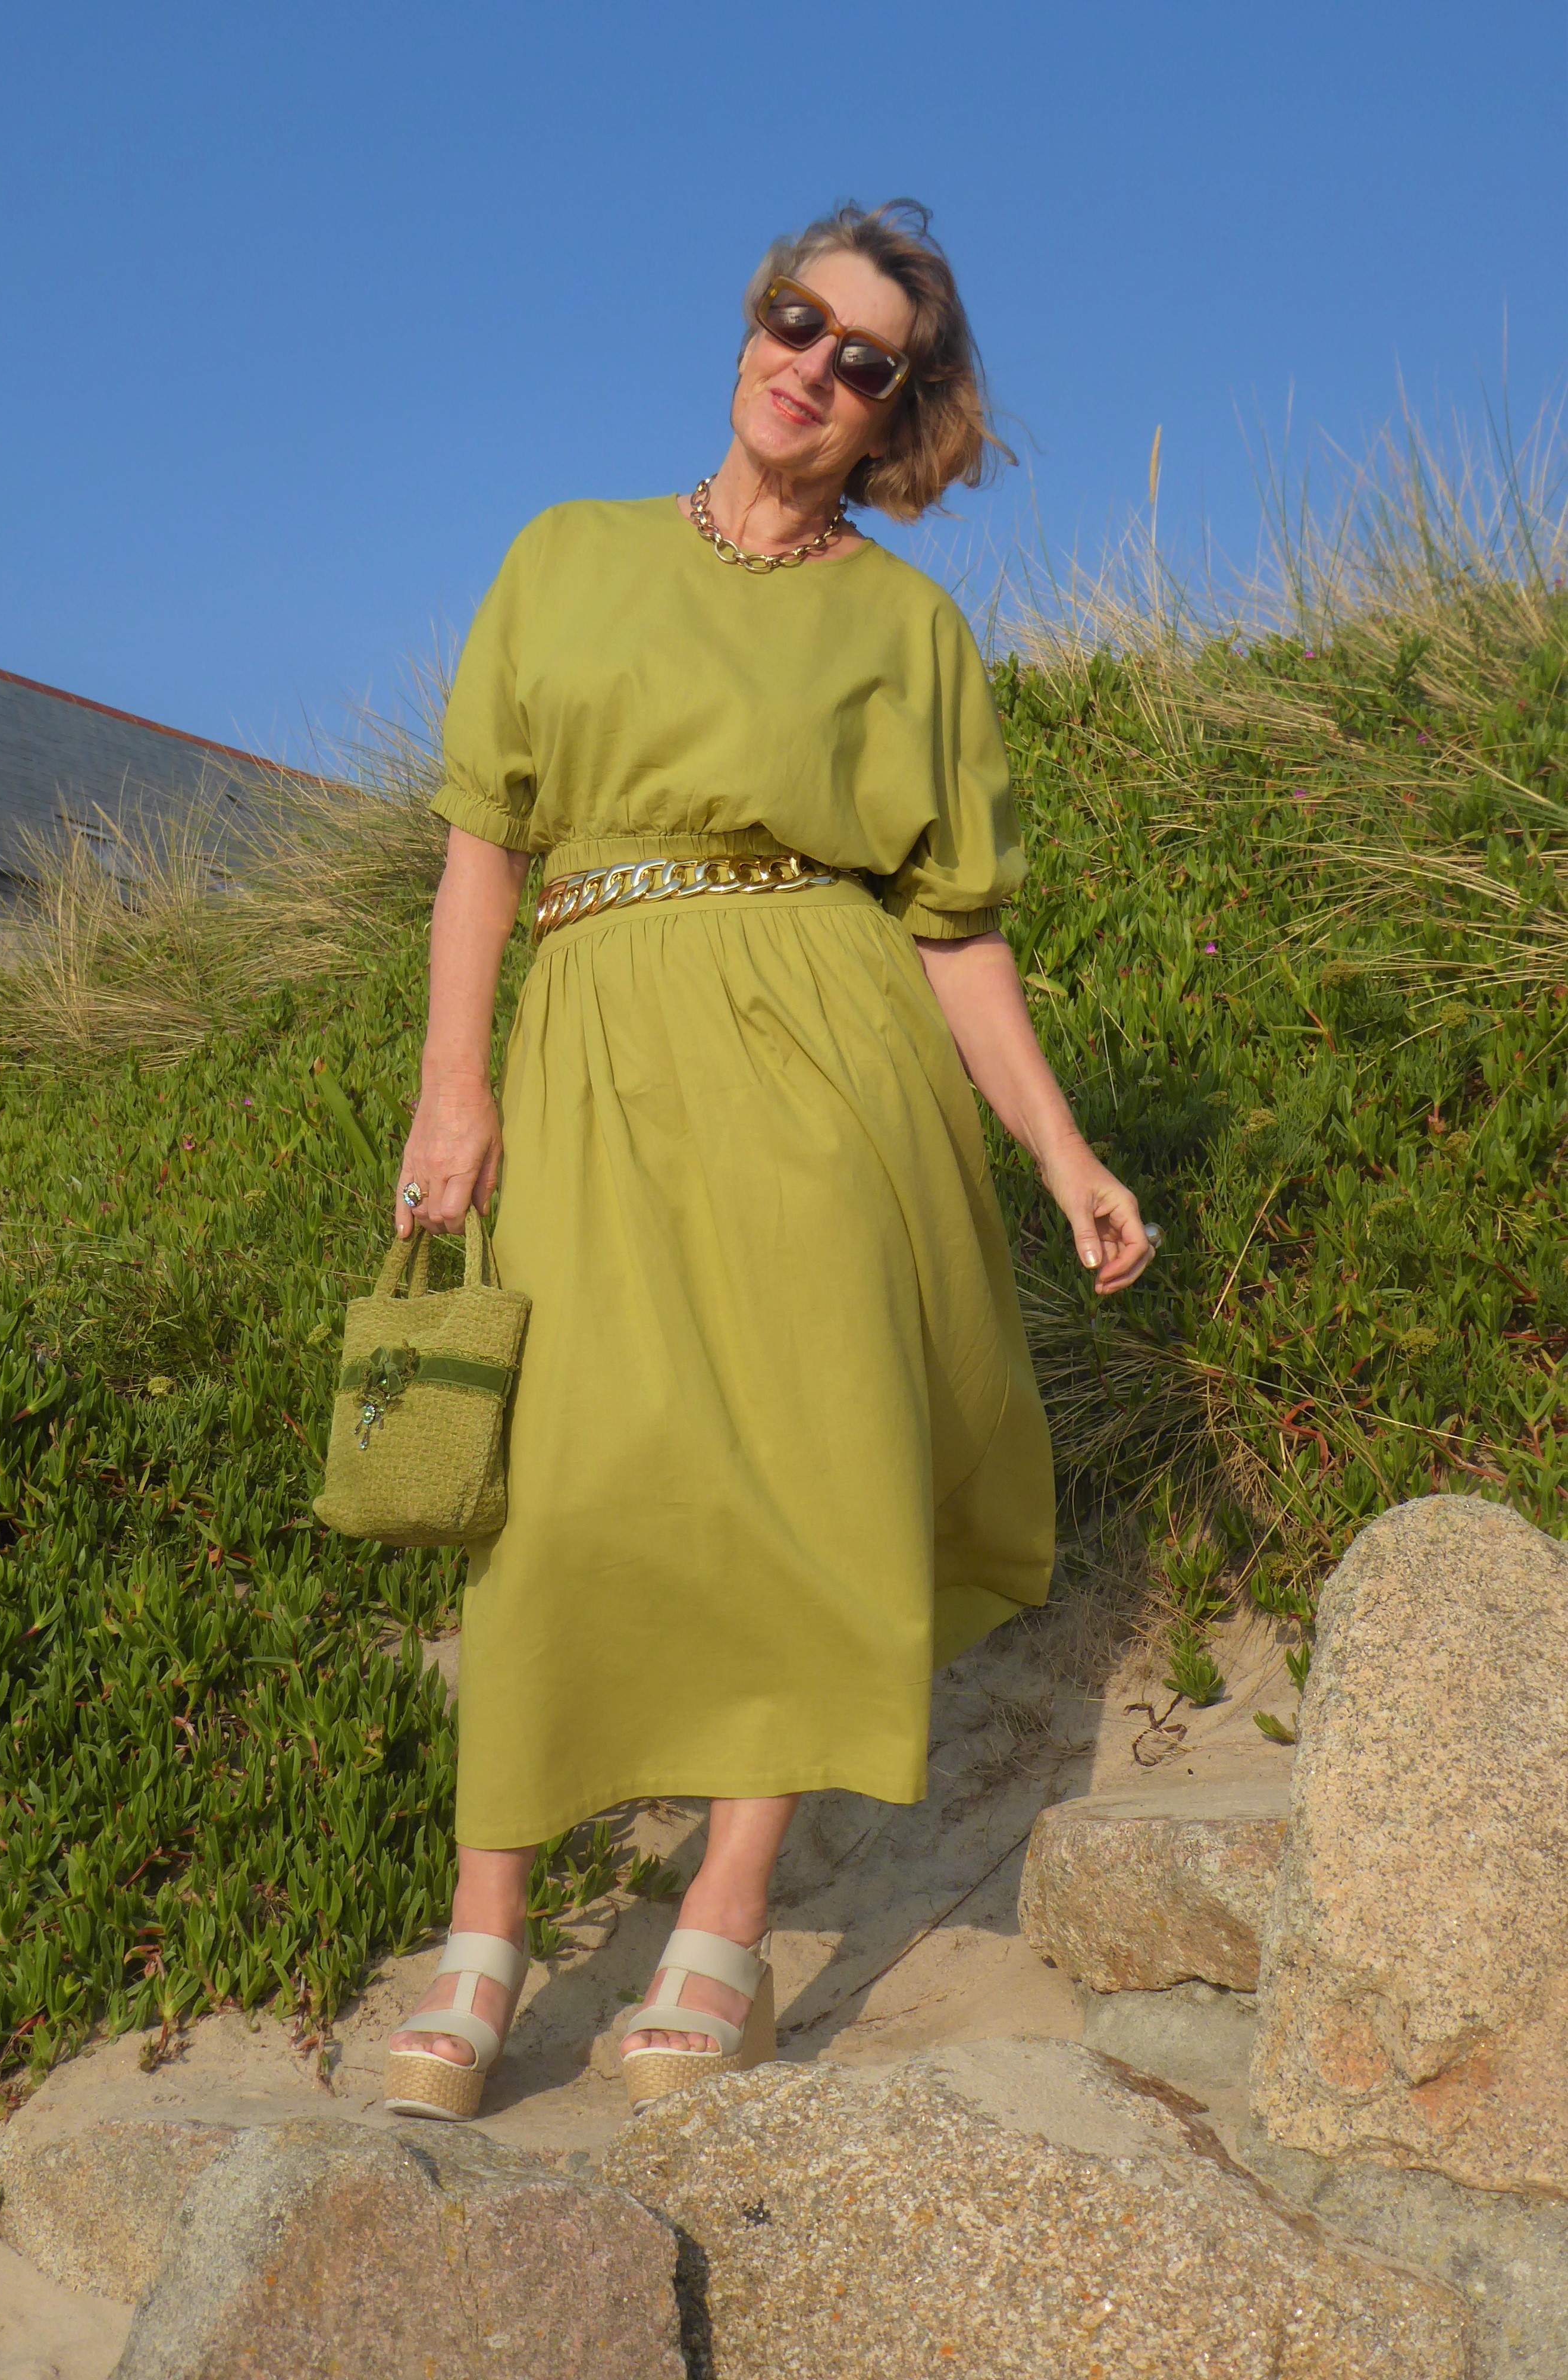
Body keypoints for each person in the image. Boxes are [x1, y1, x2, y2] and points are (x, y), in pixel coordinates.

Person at [381, 200, 1154, 2123]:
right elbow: (482, 845)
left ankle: (721, 1930)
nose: (811, 365)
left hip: (829, 1071)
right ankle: (486, 1936)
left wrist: (1061, 1148)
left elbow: (955, 929)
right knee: (558, 1485)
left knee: (805, 1479)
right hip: (591, 1051)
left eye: (862, 357)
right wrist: (452, 1087)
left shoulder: (908, 629)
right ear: (754, 323)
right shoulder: (567, 558)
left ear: (900, 411)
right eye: (796, 319)